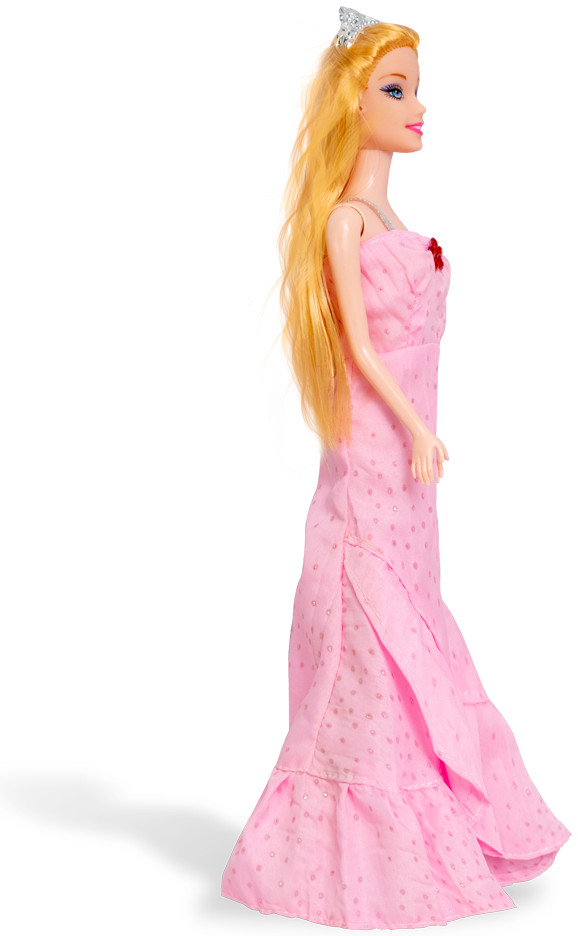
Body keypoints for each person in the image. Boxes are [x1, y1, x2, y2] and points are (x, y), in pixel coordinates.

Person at [221, 8, 571, 929]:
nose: (419, 106)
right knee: (374, 622)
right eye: (396, 89)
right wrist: (415, 425)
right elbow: (362, 350)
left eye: (416, 88)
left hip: (415, 483)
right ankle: (362, 841)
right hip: (377, 460)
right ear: (354, 102)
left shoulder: (390, 217)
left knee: (418, 615)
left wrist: (422, 432)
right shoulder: (345, 221)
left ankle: (436, 810)